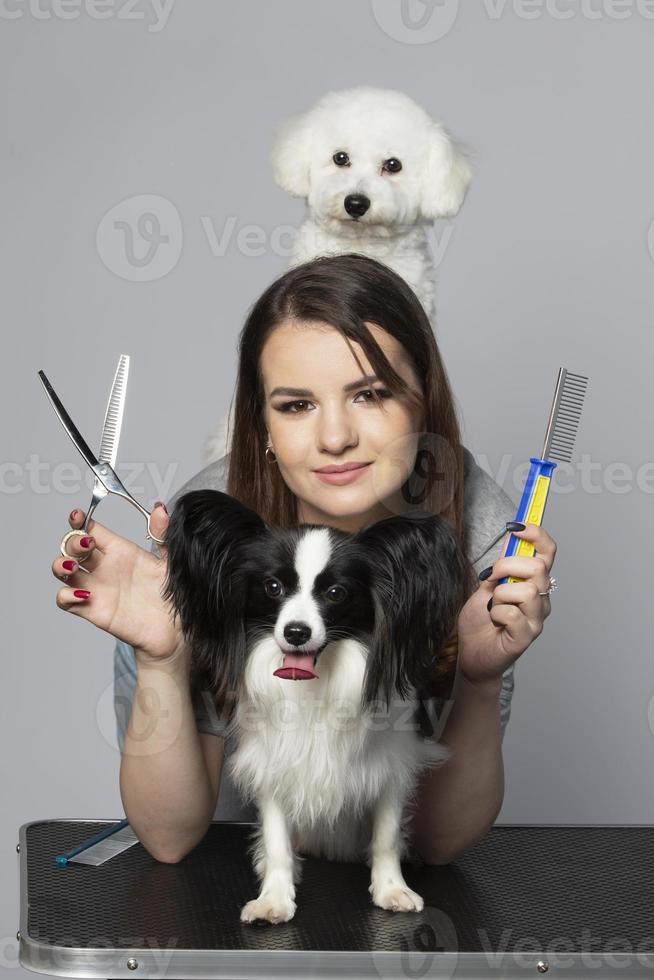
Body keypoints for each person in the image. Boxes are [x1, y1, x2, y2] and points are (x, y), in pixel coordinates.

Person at [51, 253, 556, 866]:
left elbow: (434, 847)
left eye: (370, 395)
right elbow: (169, 837)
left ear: (423, 400)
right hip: (240, 876)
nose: (335, 437)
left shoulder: (480, 539)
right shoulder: (208, 531)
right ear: (261, 423)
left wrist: (478, 682)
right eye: (295, 405)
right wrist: (162, 661)